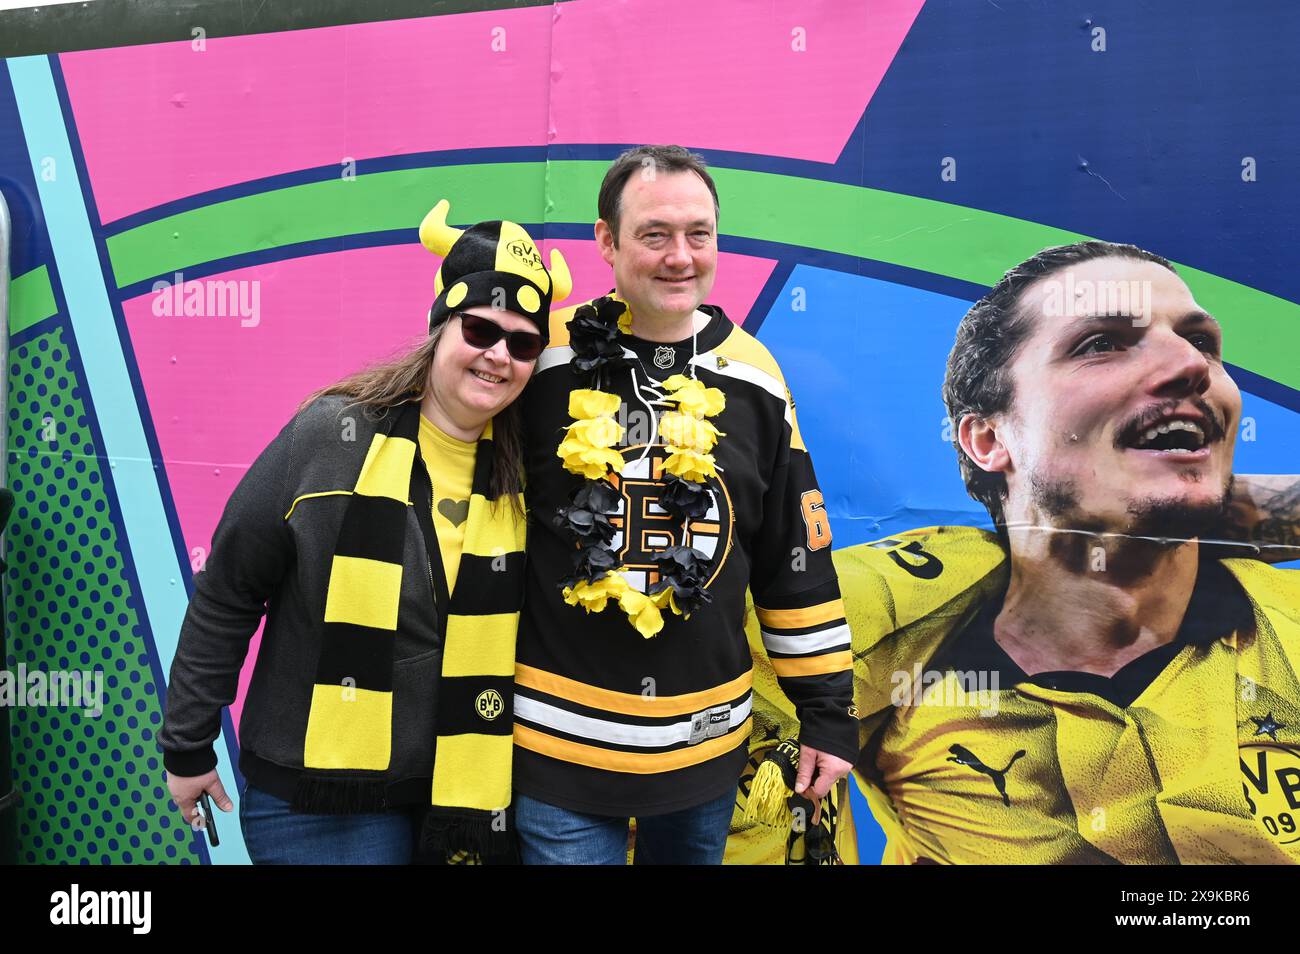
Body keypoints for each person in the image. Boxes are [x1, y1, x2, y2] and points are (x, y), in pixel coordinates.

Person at [729, 240, 1300, 864]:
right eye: (1101, 343)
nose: (1193, 365)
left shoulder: (1284, 623)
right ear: (988, 437)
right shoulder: (882, 621)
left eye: (1203, 343)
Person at [159, 202, 571, 864]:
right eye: (479, 329)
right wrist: (187, 742)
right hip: (319, 807)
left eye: (523, 342)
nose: (498, 354)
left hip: (467, 802)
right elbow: (230, 589)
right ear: (439, 326)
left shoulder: (530, 477)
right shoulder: (333, 437)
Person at [511, 145, 857, 864]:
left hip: (703, 754)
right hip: (554, 753)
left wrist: (828, 715)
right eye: (655, 234)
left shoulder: (754, 375)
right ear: (606, 240)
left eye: (699, 234)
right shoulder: (539, 358)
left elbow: (792, 558)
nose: (680, 256)